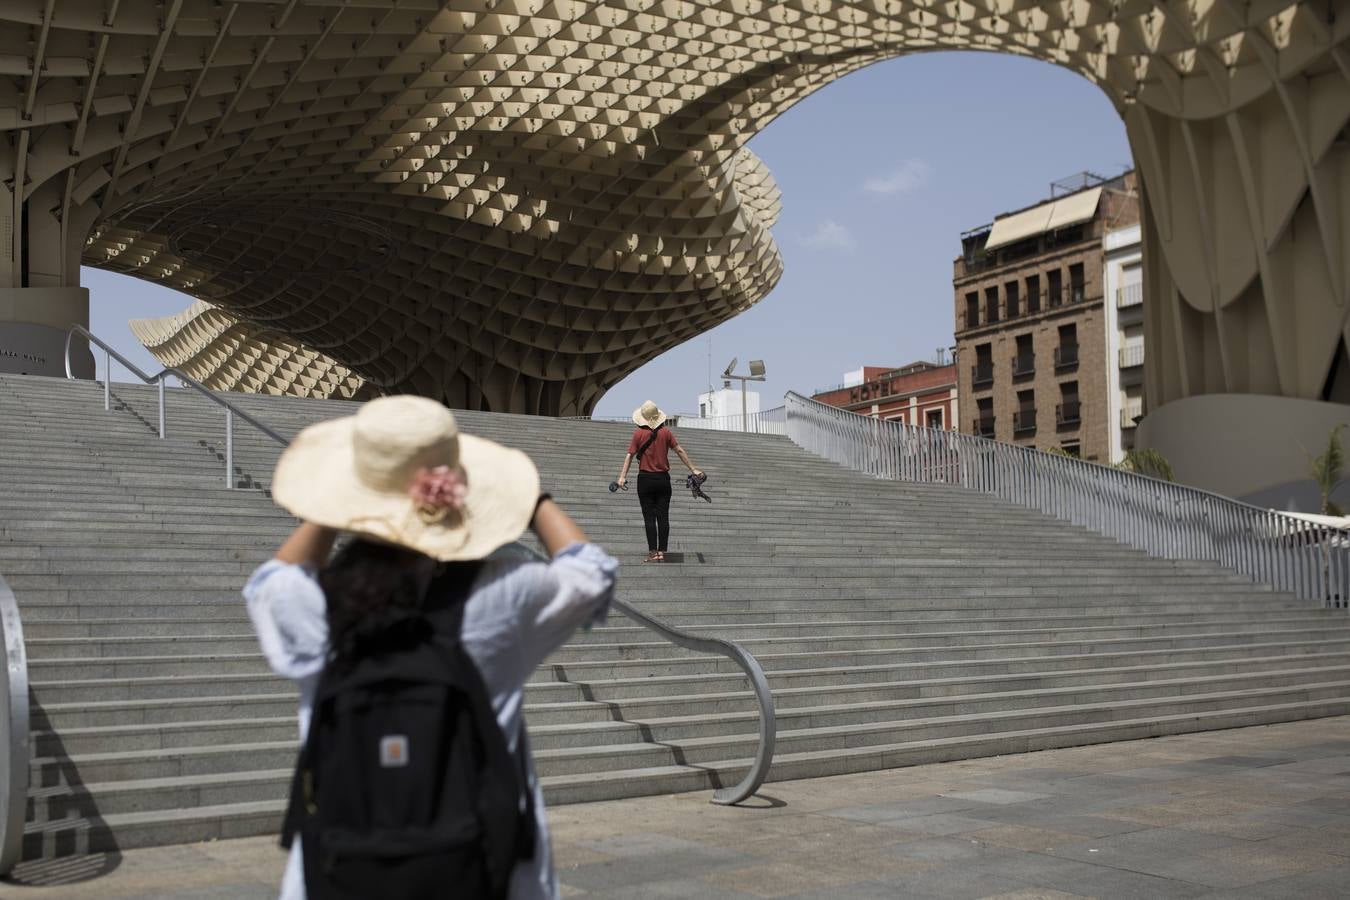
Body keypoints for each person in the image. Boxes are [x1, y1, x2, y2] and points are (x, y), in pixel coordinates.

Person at [242, 395, 618, 900]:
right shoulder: (504, 593)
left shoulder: (313, 607)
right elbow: (591, 573)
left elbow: (271, 579)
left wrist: (335, 505)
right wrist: (532, 500)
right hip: (487, 874)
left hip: (335, 873)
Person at [615, 400, 703, 562]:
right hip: (663, 479)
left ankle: (652, 552)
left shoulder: (638, 434)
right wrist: (693, 469)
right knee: (663, 516)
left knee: (649, 517)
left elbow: (630, 455)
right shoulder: (666, 433)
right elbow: (679, 450)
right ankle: (662, 552)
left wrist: (622, 477)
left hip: (645, 479)